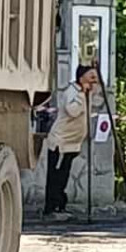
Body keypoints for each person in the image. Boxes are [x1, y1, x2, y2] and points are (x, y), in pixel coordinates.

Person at [37, 65, 98, 221]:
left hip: (73, 142)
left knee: (64, 175)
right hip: (61, 142)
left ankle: (61, 205)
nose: (94, 79)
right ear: (81, 76)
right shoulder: (71, 92)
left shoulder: (87, 92)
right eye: (91, 75)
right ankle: (51, 208)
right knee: (56, 176)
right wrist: (82, 94)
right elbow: (73, 111)